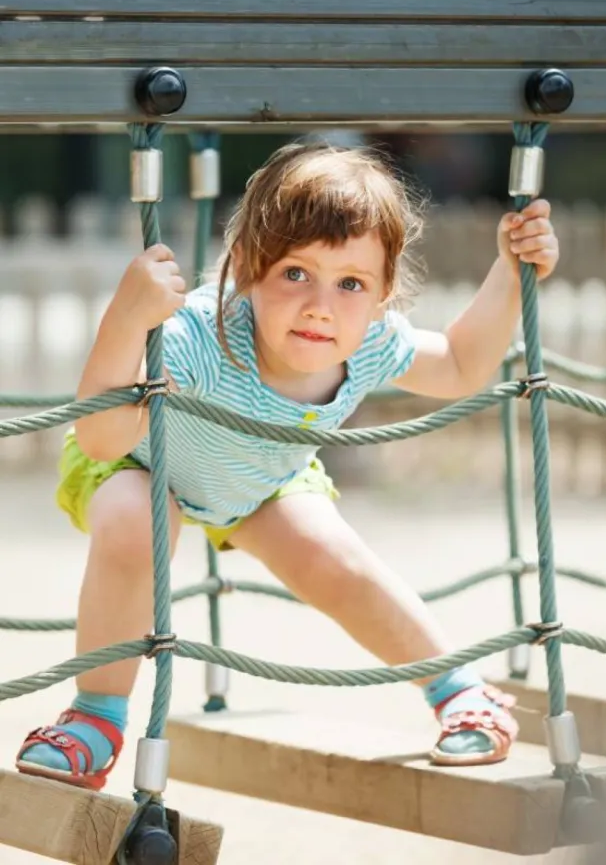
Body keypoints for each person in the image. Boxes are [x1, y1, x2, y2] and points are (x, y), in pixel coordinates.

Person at [16, 142, 558, 790]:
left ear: (385, 293)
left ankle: (461, 690)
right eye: (296, 273)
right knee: (138, 520)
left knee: (339, 564)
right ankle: (96, 718)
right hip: (140, 458)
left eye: (351, 283)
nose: (321, 305)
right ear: (246, 267)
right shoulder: (200, 335)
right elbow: (102, 436)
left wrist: (508, 267)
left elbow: (464, 366)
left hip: (264, 481)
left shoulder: (370, 345)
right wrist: (127, 318)